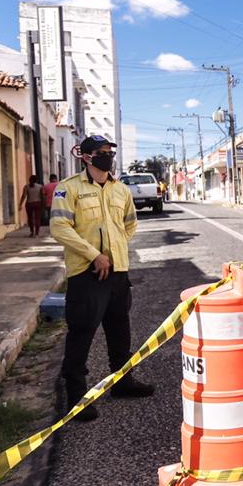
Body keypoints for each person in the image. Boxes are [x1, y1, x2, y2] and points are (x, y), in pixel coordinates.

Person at [49, 135, 153, 422]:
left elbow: (129, 224)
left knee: (120, 331)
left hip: (118, 272)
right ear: (86, 156)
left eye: (110, 152)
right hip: (87, 274)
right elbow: (59, 228)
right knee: (81, 334)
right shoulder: (68, 188)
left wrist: (114, 250)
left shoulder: (121, 190)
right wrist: (95, 255)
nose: (108, 156)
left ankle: (122, 383)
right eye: (102, 152)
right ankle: (76, 398)